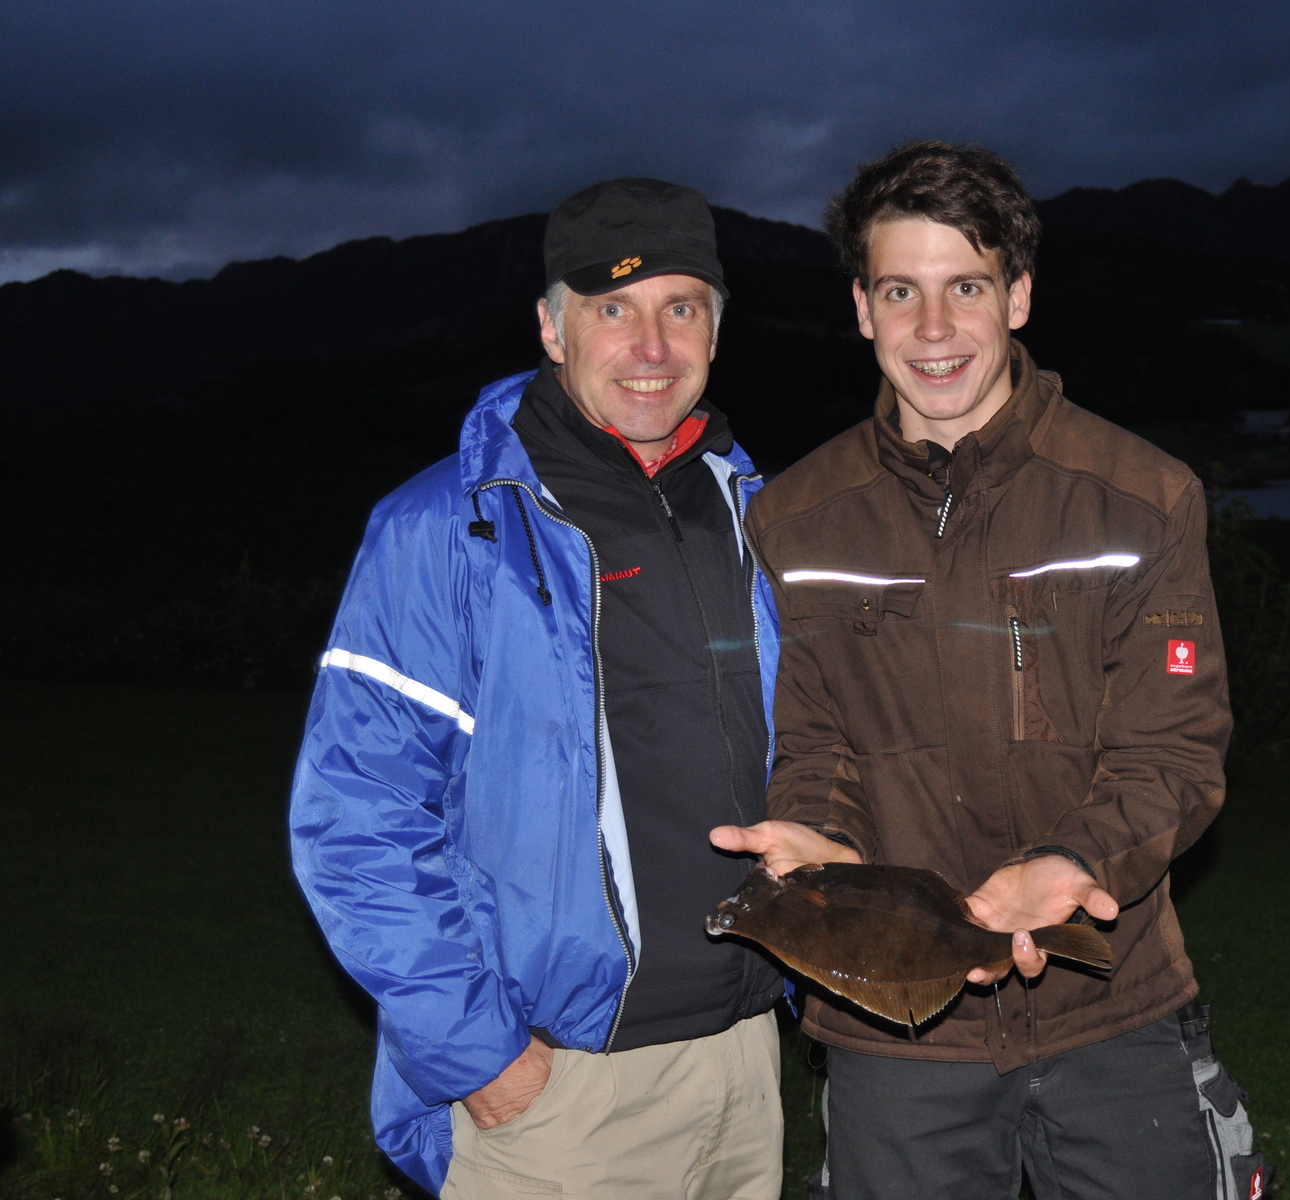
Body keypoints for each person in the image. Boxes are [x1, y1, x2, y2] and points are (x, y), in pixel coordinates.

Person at [713, 142, 1235, 1199]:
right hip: (894, 1019)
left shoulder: (1142, 497)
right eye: (900, 291)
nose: (933, 328)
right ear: (862, 309)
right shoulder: (795, 520)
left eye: (966, 287)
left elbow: (1173, 753)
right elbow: (814, 743)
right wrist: (819, 843)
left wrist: (1071, 860)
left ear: (1019, 296)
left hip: (1112, 1005)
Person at [290, 178, 788, 1199]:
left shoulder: (761, 516)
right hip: (560, 1087)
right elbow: (357, 816)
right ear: (552, 329)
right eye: (612, 309)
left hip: (744, 1057)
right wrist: (482, 1058)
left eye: (681, 308)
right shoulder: (449, 526)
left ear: (716, 329)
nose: (651, 346)